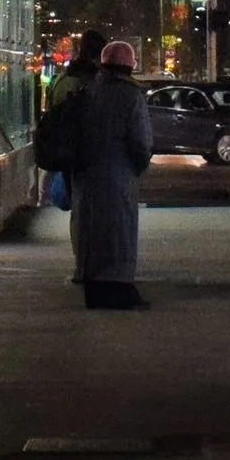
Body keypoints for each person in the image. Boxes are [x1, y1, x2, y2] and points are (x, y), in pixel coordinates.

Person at [73, 40, 153, 310]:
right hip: (119, 174)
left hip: (87, 174)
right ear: (130, 66)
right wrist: (136, 167)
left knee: (91, 231)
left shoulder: (88, 90)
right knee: (120, 233)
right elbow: (142, 143)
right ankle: (119, 289)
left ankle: (93, 289)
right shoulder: (132, 96)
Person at [45, 29, 108, 281]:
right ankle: (89, 265)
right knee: (90, 212)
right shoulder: (93, 82)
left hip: (67, 154)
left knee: (79, 212)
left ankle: (81, 263)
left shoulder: (62, 80)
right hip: (88, 155)